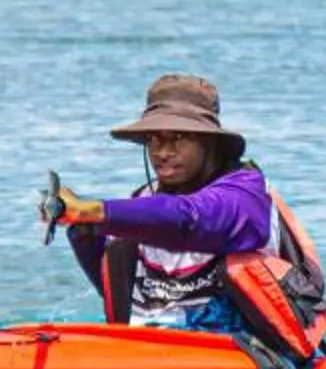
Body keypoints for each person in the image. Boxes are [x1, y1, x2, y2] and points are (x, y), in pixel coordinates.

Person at [47, 73, 276, 331]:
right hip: (147, 353)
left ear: (210, 142)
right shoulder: (141, 202)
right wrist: (83, 229)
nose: (163, 152)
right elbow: (114, 288)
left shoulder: (246, 195)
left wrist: (94, 210)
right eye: (154, 139)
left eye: (177, 138)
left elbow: (187, 219)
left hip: (239, 355)